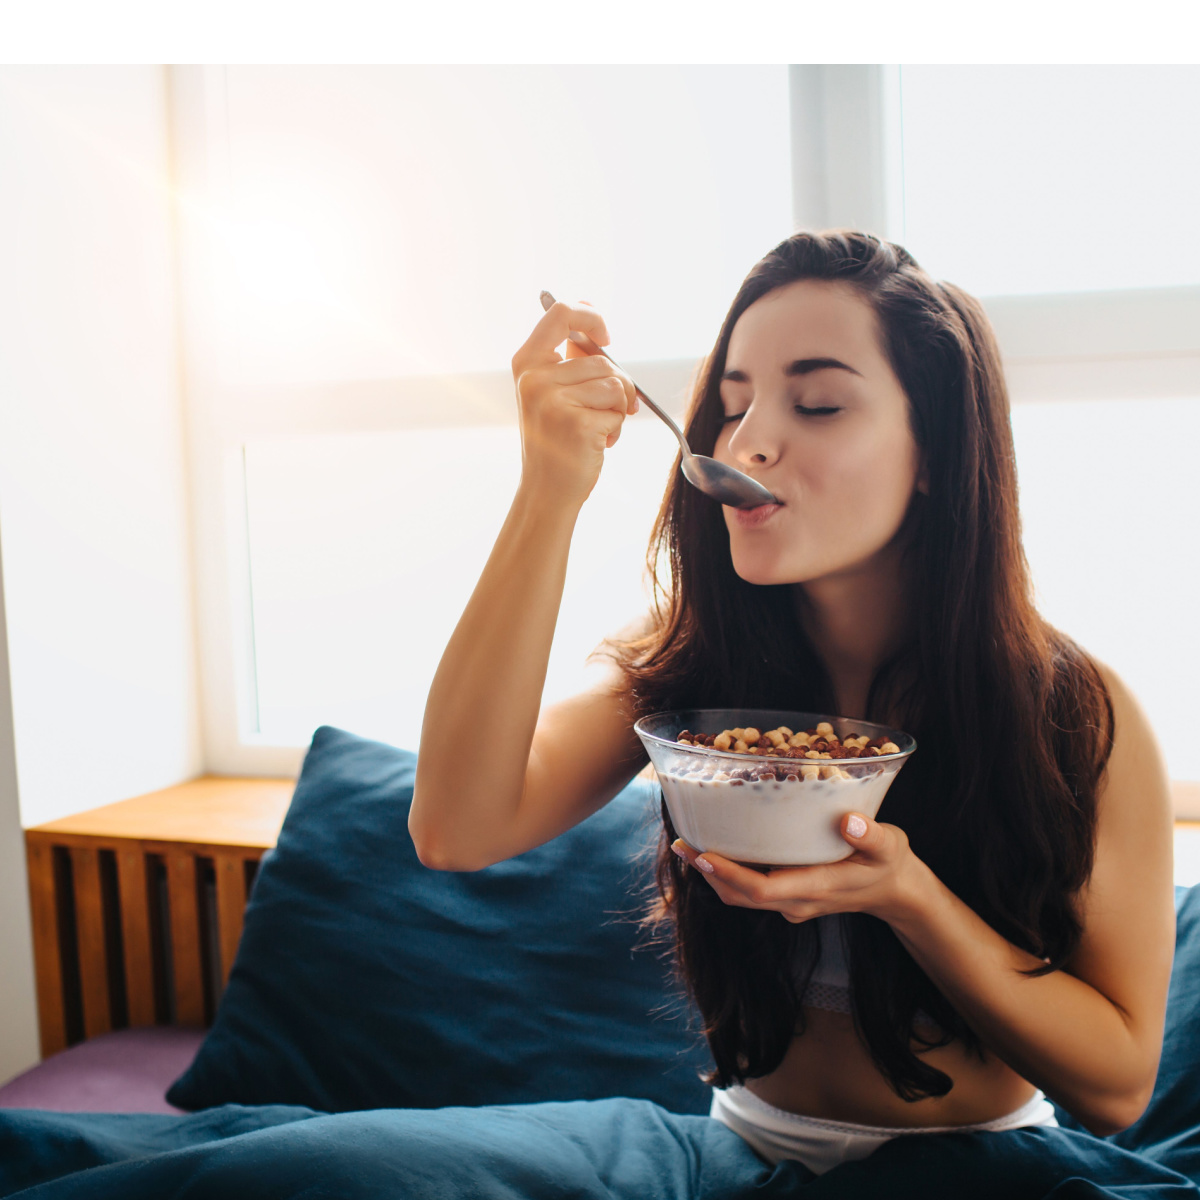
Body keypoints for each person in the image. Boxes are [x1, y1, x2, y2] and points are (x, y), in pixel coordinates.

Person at [408, 229, 1175, 1177]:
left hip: (987, 1164)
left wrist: (909, 899)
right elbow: (455, 827)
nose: (749, 439)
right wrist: (548, 494)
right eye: (732, 404)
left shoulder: (1073, 714)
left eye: (816, 403)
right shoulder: (693, 664)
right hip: (733, 1154)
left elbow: (1119, 1087)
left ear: (934, 450)